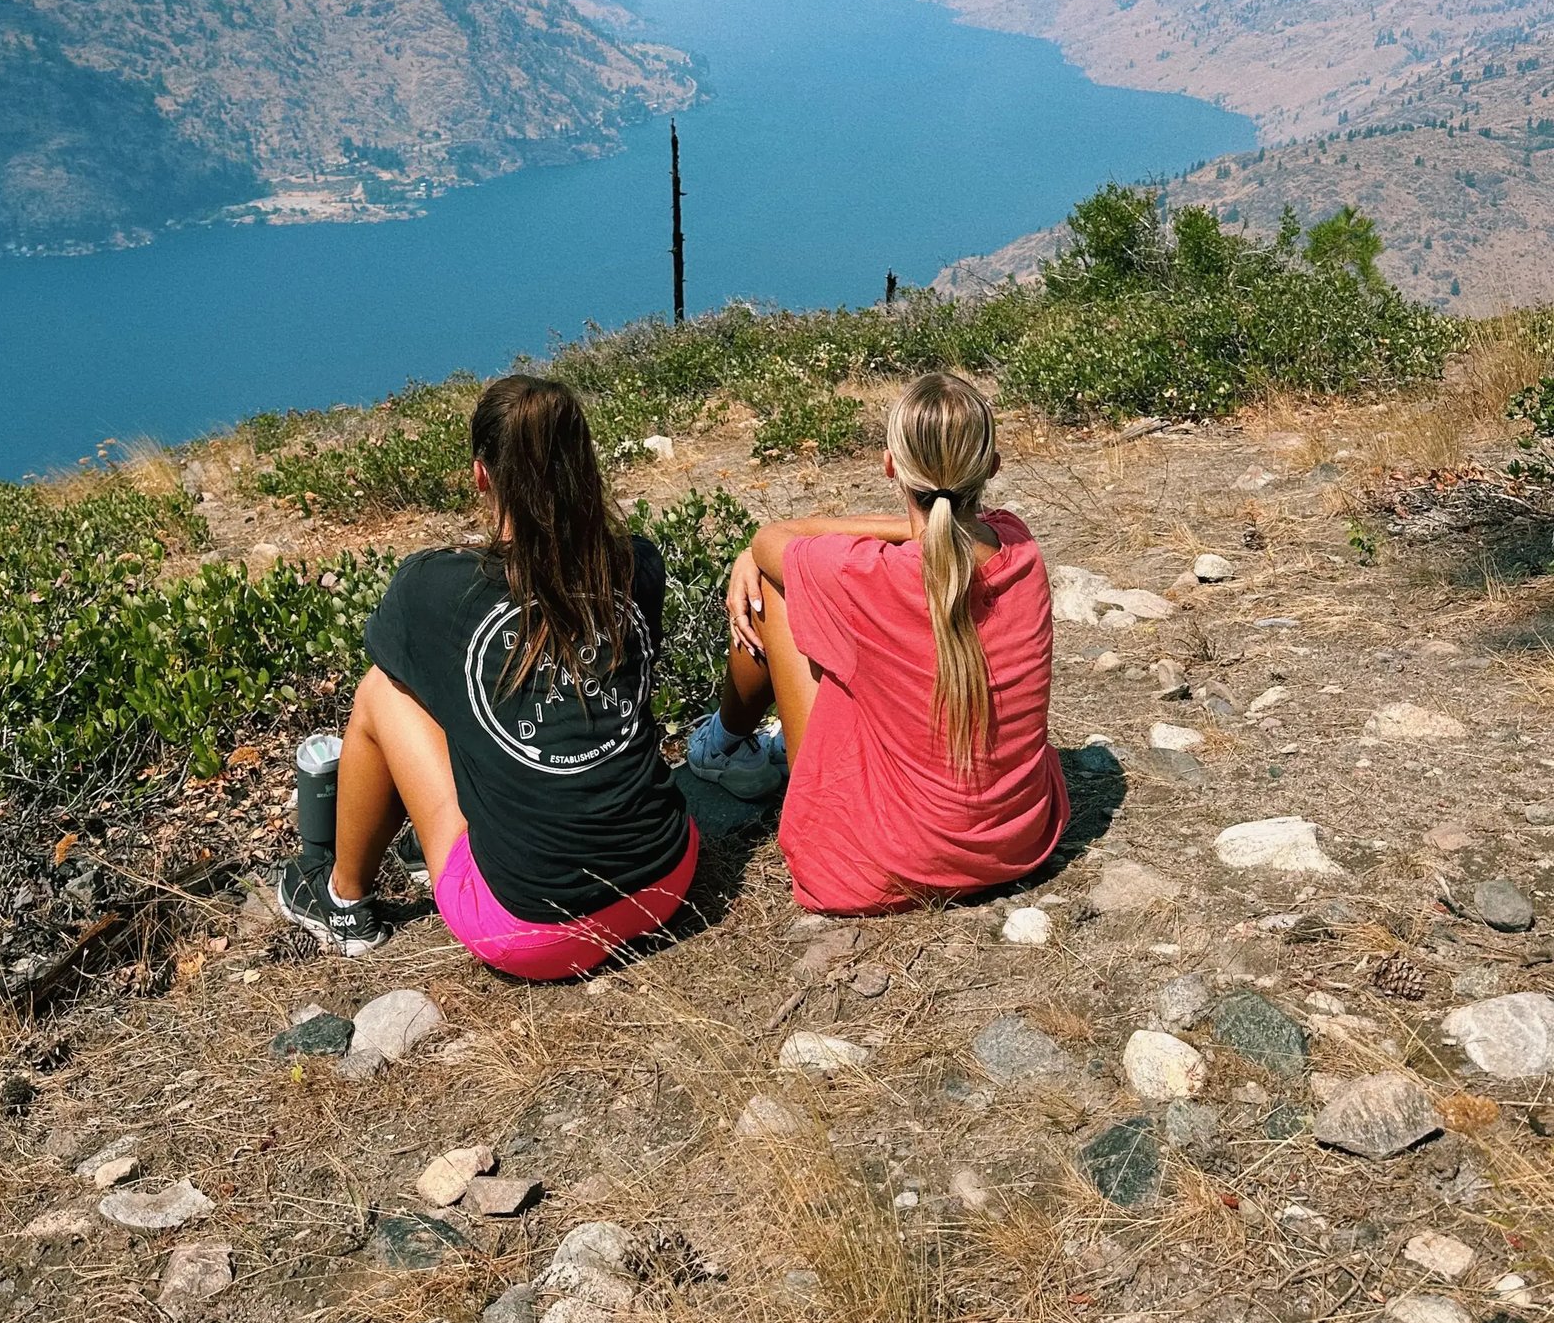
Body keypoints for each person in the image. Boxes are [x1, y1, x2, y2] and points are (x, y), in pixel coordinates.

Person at [276, 373, 698, 977]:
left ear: (481, 476)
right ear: (585, 465)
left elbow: (433, 688)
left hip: (534, 934)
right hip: (665, 881)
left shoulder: (437, 588)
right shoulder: (637, 563)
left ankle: (342, 899)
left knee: (381, 690)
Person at [688, 369, 1067, 913]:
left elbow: (772, 541)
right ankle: (732, 742)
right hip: (1017, 843)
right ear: (991, 468)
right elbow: (946, 533)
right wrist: (923, 523)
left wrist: (752, 554)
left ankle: (724, 744)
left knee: (774, 582)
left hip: (886, 864)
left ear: (890, 464)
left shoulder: (867, 576)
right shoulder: (1020, 545)